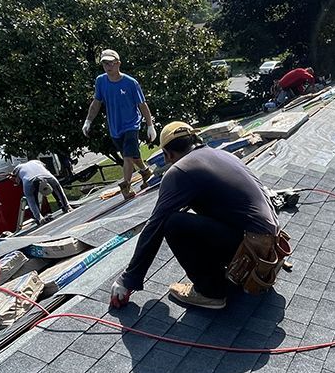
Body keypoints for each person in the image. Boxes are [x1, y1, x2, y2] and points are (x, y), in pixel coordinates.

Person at [109, 122, 287, 311]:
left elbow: (155, 225)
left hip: (252, 251)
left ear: (167, 155)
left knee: (174, 223)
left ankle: (210, 292)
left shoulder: (180, 171)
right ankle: (235, 271)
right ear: (196, 140)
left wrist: (128, 279)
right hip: (270, 249)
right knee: (194, 215)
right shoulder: (223, 155)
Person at [82, 50, 157, 200]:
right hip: (115, 127)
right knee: (133, 155)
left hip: (131, 124)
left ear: (118, 64)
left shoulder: (130, 83)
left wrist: (150, 125)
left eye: (111, 63)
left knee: (127, 157)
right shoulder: (101, 81)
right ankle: (145, 171)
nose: (108, 66)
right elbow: (97, 103)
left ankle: (126, 186)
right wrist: (88, 121)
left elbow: (142, 105)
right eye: (105, 63)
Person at [13, 159, 71, 225]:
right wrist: (67, 206)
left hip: (30, 180)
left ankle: (38, 218)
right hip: (46, 176)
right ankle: (64, 206)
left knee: (31, 198)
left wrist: (39, 218)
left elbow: (31, 202)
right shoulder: (38, 165)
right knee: (57, 189)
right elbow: (59, 191)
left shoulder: (24, 179)